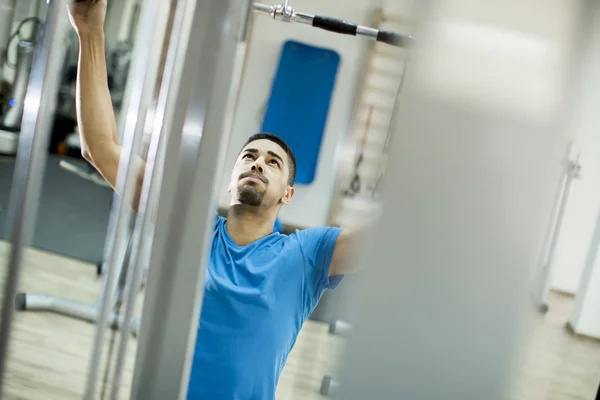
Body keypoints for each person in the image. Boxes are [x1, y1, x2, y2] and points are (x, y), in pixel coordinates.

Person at [67, 1, 365, 399]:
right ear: (230, 181)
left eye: (272, 163)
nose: (257, 163)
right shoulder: (190, 225)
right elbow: (100, 148)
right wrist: (90, 31)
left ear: (288, 195)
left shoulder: (307, 254)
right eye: (248, 157)